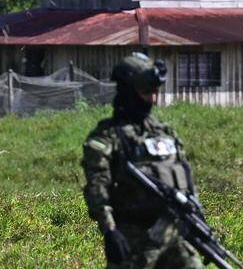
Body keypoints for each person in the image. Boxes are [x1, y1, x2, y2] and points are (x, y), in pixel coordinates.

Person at [81, 53, 203, 269]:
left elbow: (186, 177)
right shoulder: (107, 138)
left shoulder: (165, 133)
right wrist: (110, 231)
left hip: (175, 234)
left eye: (155, 92)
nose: (152, 99)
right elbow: (97, 189)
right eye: (146, 92)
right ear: (128, 91)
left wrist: (197, 218)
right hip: (135, 238)